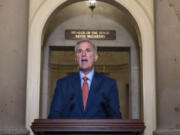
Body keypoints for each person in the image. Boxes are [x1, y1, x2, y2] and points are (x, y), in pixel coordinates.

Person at [48, 39, 122, 119]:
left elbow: (115, 116)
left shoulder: (109, 84)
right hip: (70, 131)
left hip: (99, 131)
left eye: (88, 50)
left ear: (95, 57)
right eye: (79, 51)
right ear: (76, 59)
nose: (83, 54)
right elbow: (54, 115)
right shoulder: (63, 84)